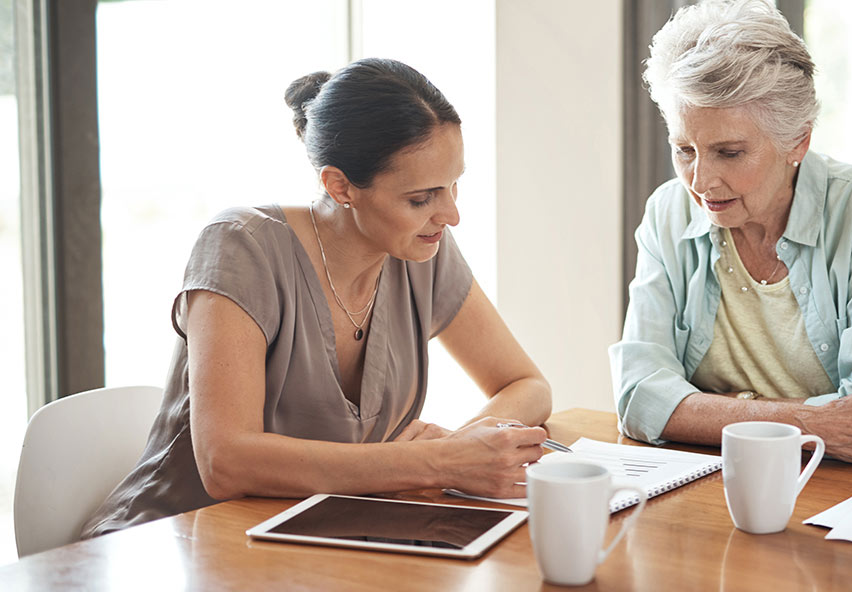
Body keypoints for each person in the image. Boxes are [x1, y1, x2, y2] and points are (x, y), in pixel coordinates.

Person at [82, 58, 552, 538]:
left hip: (318, 544)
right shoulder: (241, 247)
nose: (450, 215)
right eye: (421, 198)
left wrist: (461, 446)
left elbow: (528, 385)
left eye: (454, 186)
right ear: (339, 185)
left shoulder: (422, 252)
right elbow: (226, 462)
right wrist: (434, 462)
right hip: (170, 544)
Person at [610, 0, 852, 466]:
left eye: (729, 152)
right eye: (684, 149)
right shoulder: (668, 212)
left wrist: (701, 413)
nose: (700, 182)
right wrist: (814, 423)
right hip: (740, 480)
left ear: (797, 141)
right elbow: (639, 397)